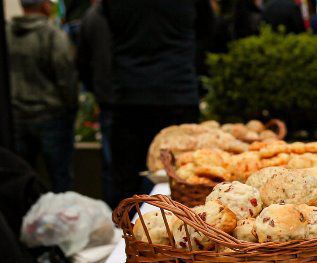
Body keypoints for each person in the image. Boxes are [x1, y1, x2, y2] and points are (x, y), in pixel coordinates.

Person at [103, 0, 213, 204]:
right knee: (183, 178)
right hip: (176, 91)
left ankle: (125, 231)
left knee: (125, 183)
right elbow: (207, 30)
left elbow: (109, 26)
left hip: (130, 92)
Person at [7, 0, 78, 193]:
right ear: (46, 6)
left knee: (21, 178)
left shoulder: (8, 34)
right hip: (51, 116)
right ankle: (61, 220)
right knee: (60, 178)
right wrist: (71, 107)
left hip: (16, 116)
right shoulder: (53, 35)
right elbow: (66, 77)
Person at [77, 0, 116, 207]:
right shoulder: (95, 16)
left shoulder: (92, 16)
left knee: (112, 165)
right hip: (120, 96)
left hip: (109, 98)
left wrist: (96, 89)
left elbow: (81, 62)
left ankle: (119, 220)